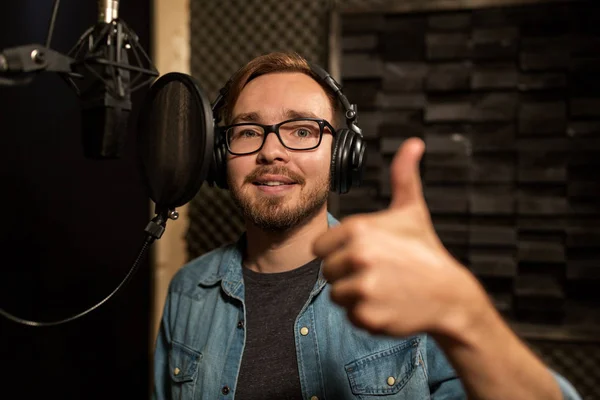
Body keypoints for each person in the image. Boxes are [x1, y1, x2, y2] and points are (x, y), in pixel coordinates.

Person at [153, 51, 582, 399]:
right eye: (248, 131)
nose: (271, 152)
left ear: (342, 156)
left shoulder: (402, 283)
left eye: (301, 130)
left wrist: (464, 312)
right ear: (219, 157)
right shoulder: (188, 291)